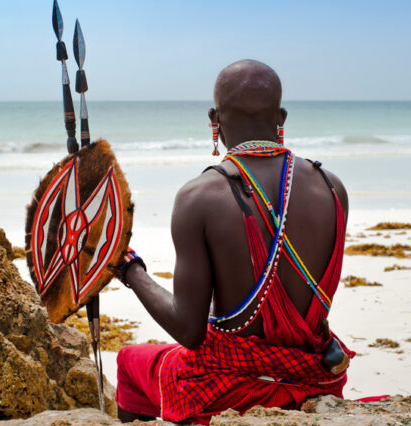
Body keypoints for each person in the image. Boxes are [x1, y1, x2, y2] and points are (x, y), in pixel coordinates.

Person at [114, 59, 352, 424]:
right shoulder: (333, 188)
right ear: (281, 118)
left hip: (230, 392)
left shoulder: (198, 197)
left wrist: (131, 270)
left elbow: (189, 332)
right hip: (314, 379)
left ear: (214, 118)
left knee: (129, 360)